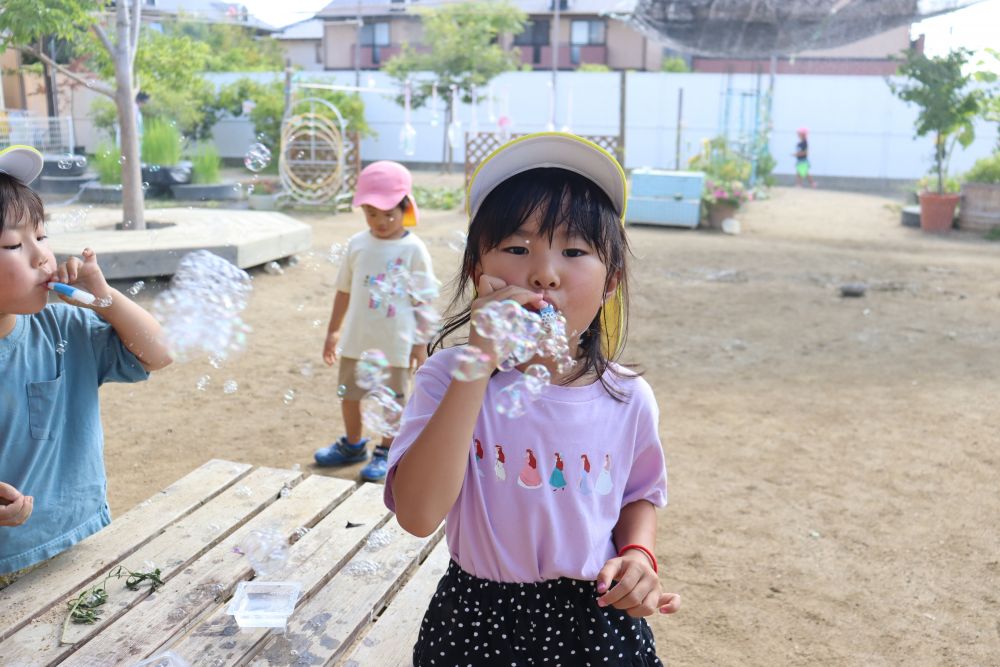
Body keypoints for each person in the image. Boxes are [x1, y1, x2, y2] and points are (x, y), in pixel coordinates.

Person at [385, 132, 681, 665]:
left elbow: (639, 494)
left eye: (573, 251)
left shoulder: (627, 397)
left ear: (611, 280)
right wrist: (478, 362)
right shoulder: (447, 377)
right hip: (477, 620)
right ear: (480, 271)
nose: (544, 273)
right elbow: (418, 514)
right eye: (518, 249)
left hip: (598, 620)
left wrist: (639, 553)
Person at [0, 145, 172, 590]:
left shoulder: (64, 326)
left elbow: (159, 353)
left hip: (84, 541)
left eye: (42, 235)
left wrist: (104, 297)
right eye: (15, 244)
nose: (42, 257)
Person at [314, 160, 435, 483]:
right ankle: (353, 444)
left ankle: (386, 450)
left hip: (396, 343)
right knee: (349, 395)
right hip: (357, 341)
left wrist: (421, 343)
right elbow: (343, 292)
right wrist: (333, 331)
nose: (380, 222)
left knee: (393, 402)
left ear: (406, 207)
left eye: (388, 214)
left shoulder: (413, 249)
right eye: (371, 213)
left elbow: (423, 299)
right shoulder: (357, 244)